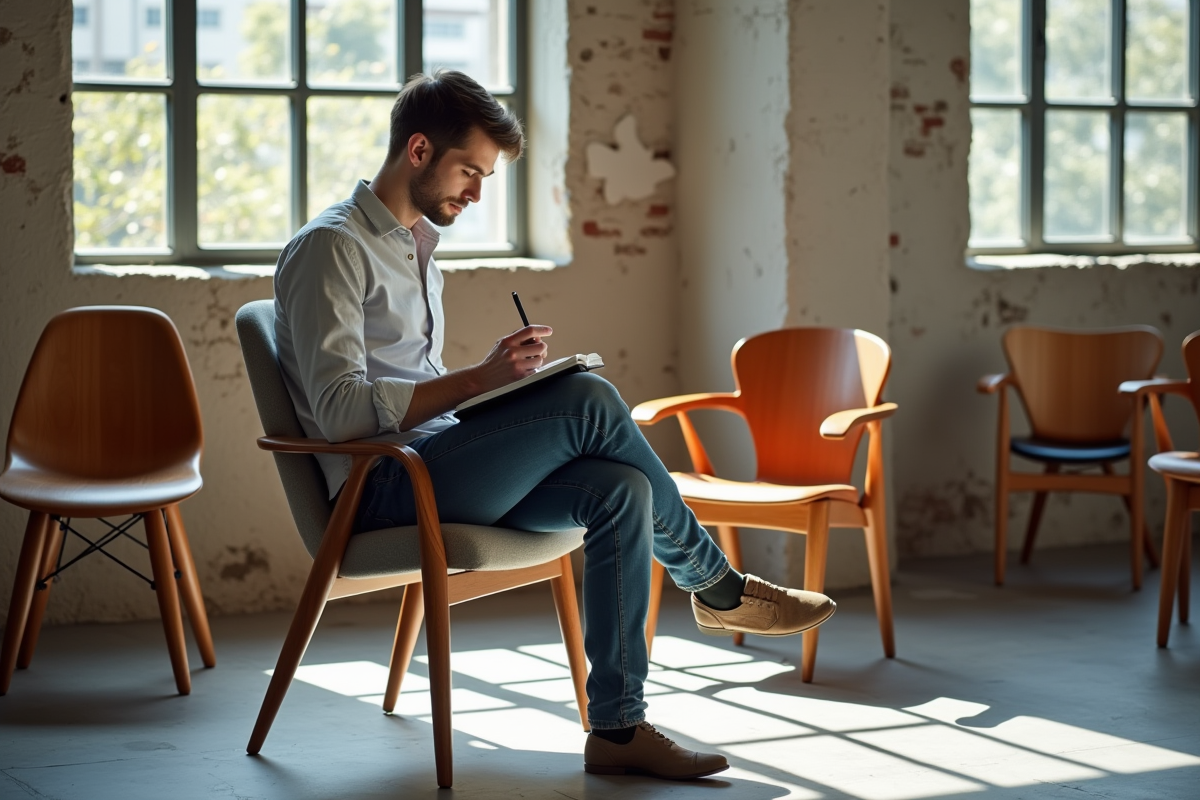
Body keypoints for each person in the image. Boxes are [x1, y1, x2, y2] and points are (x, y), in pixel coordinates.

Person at [273, 70, 837, 780]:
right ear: (418, 150)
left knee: (621, 491)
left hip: (431, 463)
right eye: (469, 172)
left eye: (484, 178)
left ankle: (618, 731)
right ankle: (716, 585)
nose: (476, 194)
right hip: (381, 487)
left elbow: (410, 385)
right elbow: (339, 413)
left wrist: (497, 387)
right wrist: (479, 380)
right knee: (590, 398)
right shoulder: (332, 247)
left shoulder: (414, 247)